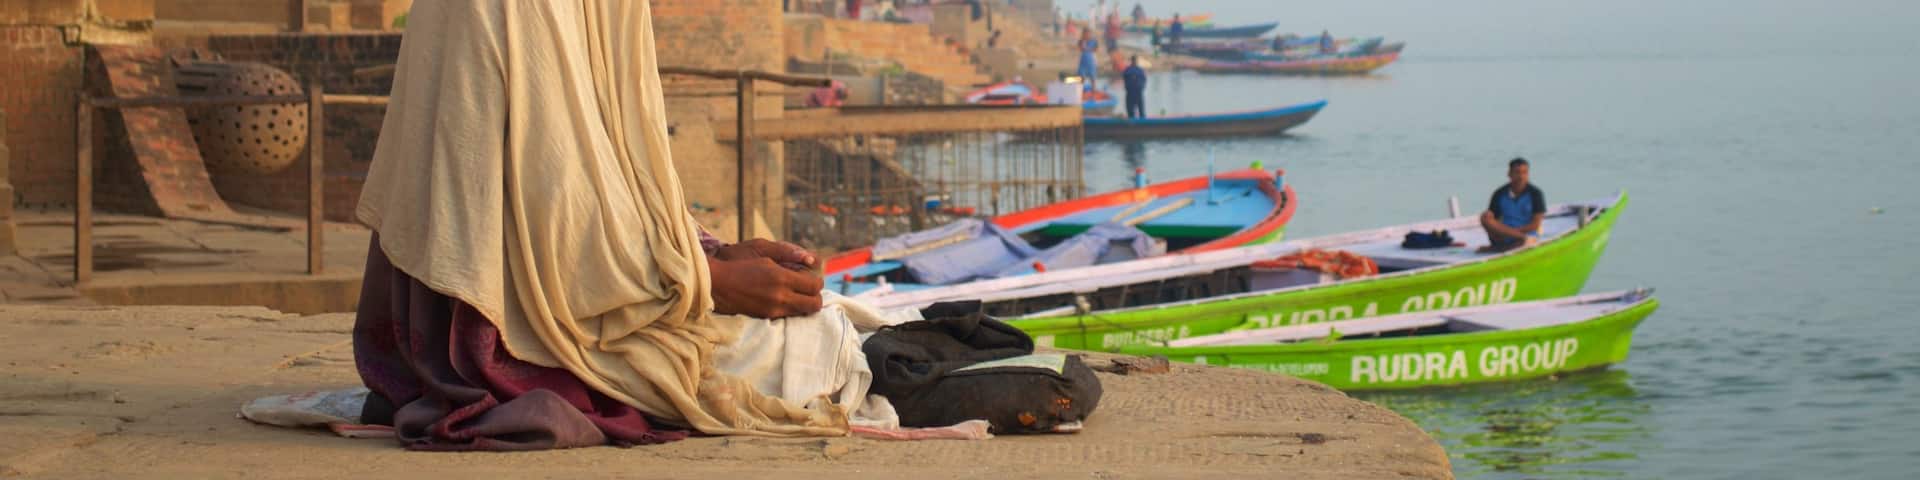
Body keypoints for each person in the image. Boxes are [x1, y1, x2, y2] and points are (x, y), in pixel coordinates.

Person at [351, 0, 879, 451]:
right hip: (500, 326)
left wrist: (706, 252)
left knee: (828, 331)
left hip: (572, 290)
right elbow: (548, 207)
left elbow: (604, 171)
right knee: (809, 360)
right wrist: (706, 282)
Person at [1479, 158, 1547, 253]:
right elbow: (1493, 220)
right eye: (1517, 172)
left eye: (1524, 173)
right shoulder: (1499, 193)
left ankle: (1503, 247)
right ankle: (1505, 245)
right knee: (1485, 217)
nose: (1521, 177)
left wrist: (1513, 232)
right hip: (1505, 235)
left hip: (1527, 235)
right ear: (1509, 174)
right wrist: (1505, 231)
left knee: (1522, 242)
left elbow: (1536, 224)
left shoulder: (1535, 194)